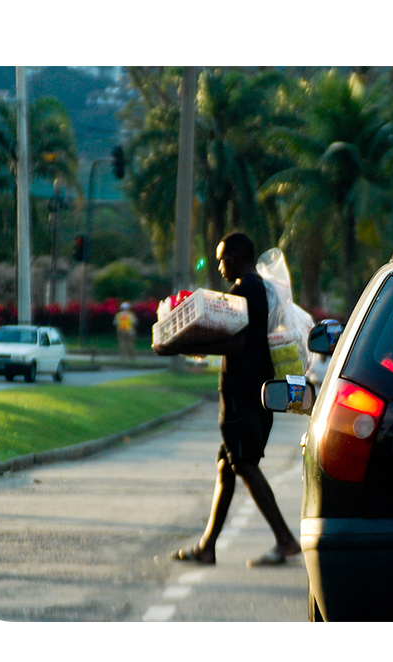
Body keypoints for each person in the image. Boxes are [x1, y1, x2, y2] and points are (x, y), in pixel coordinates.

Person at [155, 232, 301, 567]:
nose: (219, 266)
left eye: (221, 259)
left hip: (241, 392)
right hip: (257, 390)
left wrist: (177, 346)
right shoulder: (260, 288)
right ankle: (208, 547)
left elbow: (236, 344)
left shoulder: (243, 290)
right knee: (228, 464)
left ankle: (285, 539)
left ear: (235, 256)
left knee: (243, 463)